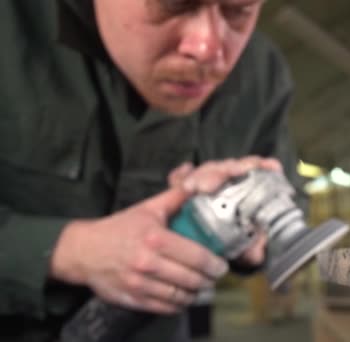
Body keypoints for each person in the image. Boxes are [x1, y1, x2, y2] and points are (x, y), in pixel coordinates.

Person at [0, 0, 306, 341]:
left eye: (238, 10)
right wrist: (67, 250)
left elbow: (292, 198)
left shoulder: (261, 74)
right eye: (173, 5)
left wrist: (251, 231)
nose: (206, 48)